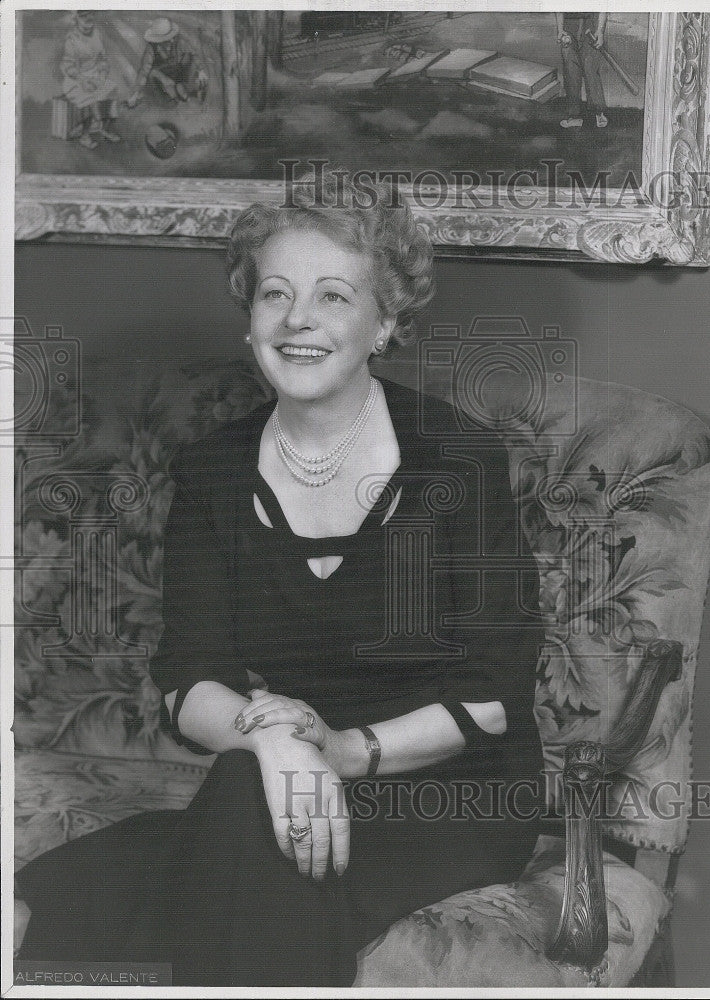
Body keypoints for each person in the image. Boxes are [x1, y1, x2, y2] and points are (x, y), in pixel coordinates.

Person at [14, 172, 546, 987]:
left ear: (385, 321)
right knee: (244, 812)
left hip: (451, 790)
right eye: (274, 294)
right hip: (283, 775)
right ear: (250, 317)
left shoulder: (455, 457)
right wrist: (276, 741)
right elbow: (190, 678)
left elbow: (493, 690)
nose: (297, 320)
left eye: (333, 296)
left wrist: (339, 750)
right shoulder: (215, 468)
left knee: (86, 886)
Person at [59, 10, 120, 149]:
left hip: (95, 75)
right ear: (76, 18)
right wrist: (83, 80)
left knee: (112, 89)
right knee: (89, 98)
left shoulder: (97, 33)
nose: (88, 18)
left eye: (90, 14)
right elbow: (68, 66)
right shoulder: (72, 39)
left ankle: (104, 128)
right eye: (83, 15)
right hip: (75, 80)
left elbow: (103, 58)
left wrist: (102, 74)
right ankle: (84, 135)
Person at [127, 17, 208, 108]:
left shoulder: (179, 41)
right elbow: (144, 70)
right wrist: (136, 92)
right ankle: (171, 97)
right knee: (152, 73)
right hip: (163, 78)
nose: (171, 41)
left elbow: (194, 54)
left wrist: (201, 70)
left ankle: (186, 90)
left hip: (179, 73)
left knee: (189, 58)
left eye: (171, 37)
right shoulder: (151, 48)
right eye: (166, 39)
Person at [555, 11, 609, 129]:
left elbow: (604, 4)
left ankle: (598, 113)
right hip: (569, 26)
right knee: (571, 71)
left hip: (591, 24)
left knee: (591, 68)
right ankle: (574, 116)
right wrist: (560, 29)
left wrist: (600, 31)